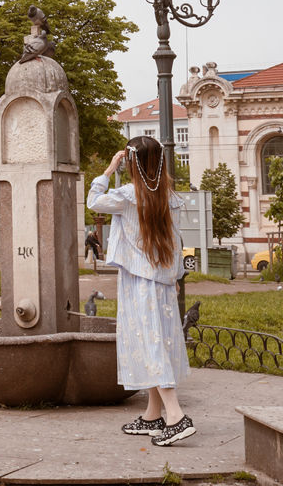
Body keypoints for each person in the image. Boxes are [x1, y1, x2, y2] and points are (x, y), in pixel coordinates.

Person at [86, 135, 194, 447]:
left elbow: (94, 201)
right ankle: (152, 415)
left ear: (132, 163)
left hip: (138, 283)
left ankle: (175, 416)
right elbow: (175, 242)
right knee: (157, 339)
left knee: (149, 344)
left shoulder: (128, 195)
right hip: (161, 281)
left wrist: (108, 169)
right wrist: (174, 276)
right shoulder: (167, 196)